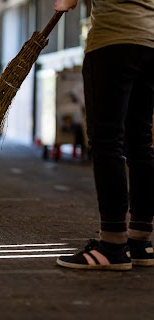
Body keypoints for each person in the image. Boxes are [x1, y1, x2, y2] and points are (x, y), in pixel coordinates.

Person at [54, 0, 154, 270]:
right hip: (149, 41)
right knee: (140, 142)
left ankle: (112, 244)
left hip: (113, 40)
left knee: (106, 142)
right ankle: (140, 241)